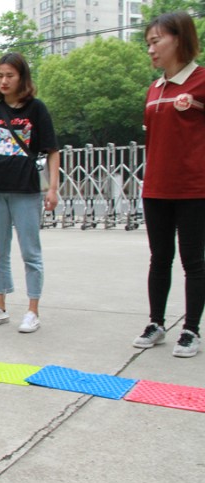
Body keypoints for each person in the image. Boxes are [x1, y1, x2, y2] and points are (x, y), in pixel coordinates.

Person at [132, 12, 205, 357]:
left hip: (194, 188)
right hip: (156, 188)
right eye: (148, 43)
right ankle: (156, 323)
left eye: (156, 41)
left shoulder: (201, 81)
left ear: (179, 39)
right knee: (159, 258)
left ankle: (191, 329)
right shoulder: (154, 89)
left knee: (194, 261)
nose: (151, 50)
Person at [0, 52, 60, 334]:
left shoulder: (37, 110)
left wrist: (54, 189)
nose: (4, 80)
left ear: (22, 77)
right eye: (0, 75)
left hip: (27, 191)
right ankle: (0, 306)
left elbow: (52, 151)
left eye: (10, 75)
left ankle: (33, 311)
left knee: (31, 253)